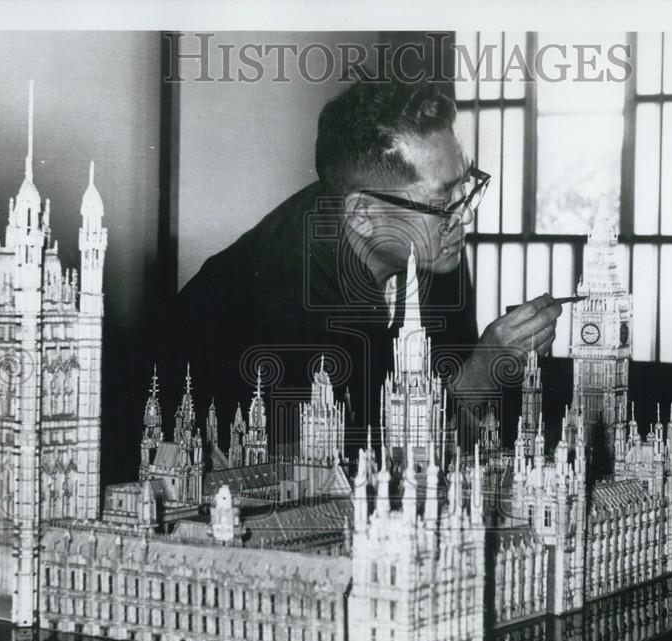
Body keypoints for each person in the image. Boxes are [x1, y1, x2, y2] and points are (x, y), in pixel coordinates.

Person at [149, 78, 562, 458]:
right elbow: (343, 470)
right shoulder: (286, 293)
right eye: (442, 201)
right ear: (363, 214)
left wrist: (499, 361)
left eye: (464, 185)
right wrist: (481, 374)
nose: (465, 216)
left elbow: (450, 408)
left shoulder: (434, 241)